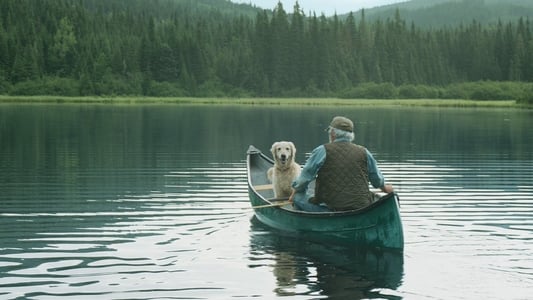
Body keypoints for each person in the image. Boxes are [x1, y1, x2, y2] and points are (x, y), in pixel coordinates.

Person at [289, 116, 393, 212]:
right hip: (361, 207)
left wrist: (295, 192)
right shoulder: (364, 152)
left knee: (298, 197)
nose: (329, 134)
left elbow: (305, 178)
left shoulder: (322, 150)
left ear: (333, 133)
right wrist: (385, 188)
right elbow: (377, 180)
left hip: (331, 208)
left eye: (330, 131)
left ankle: (302, 226)